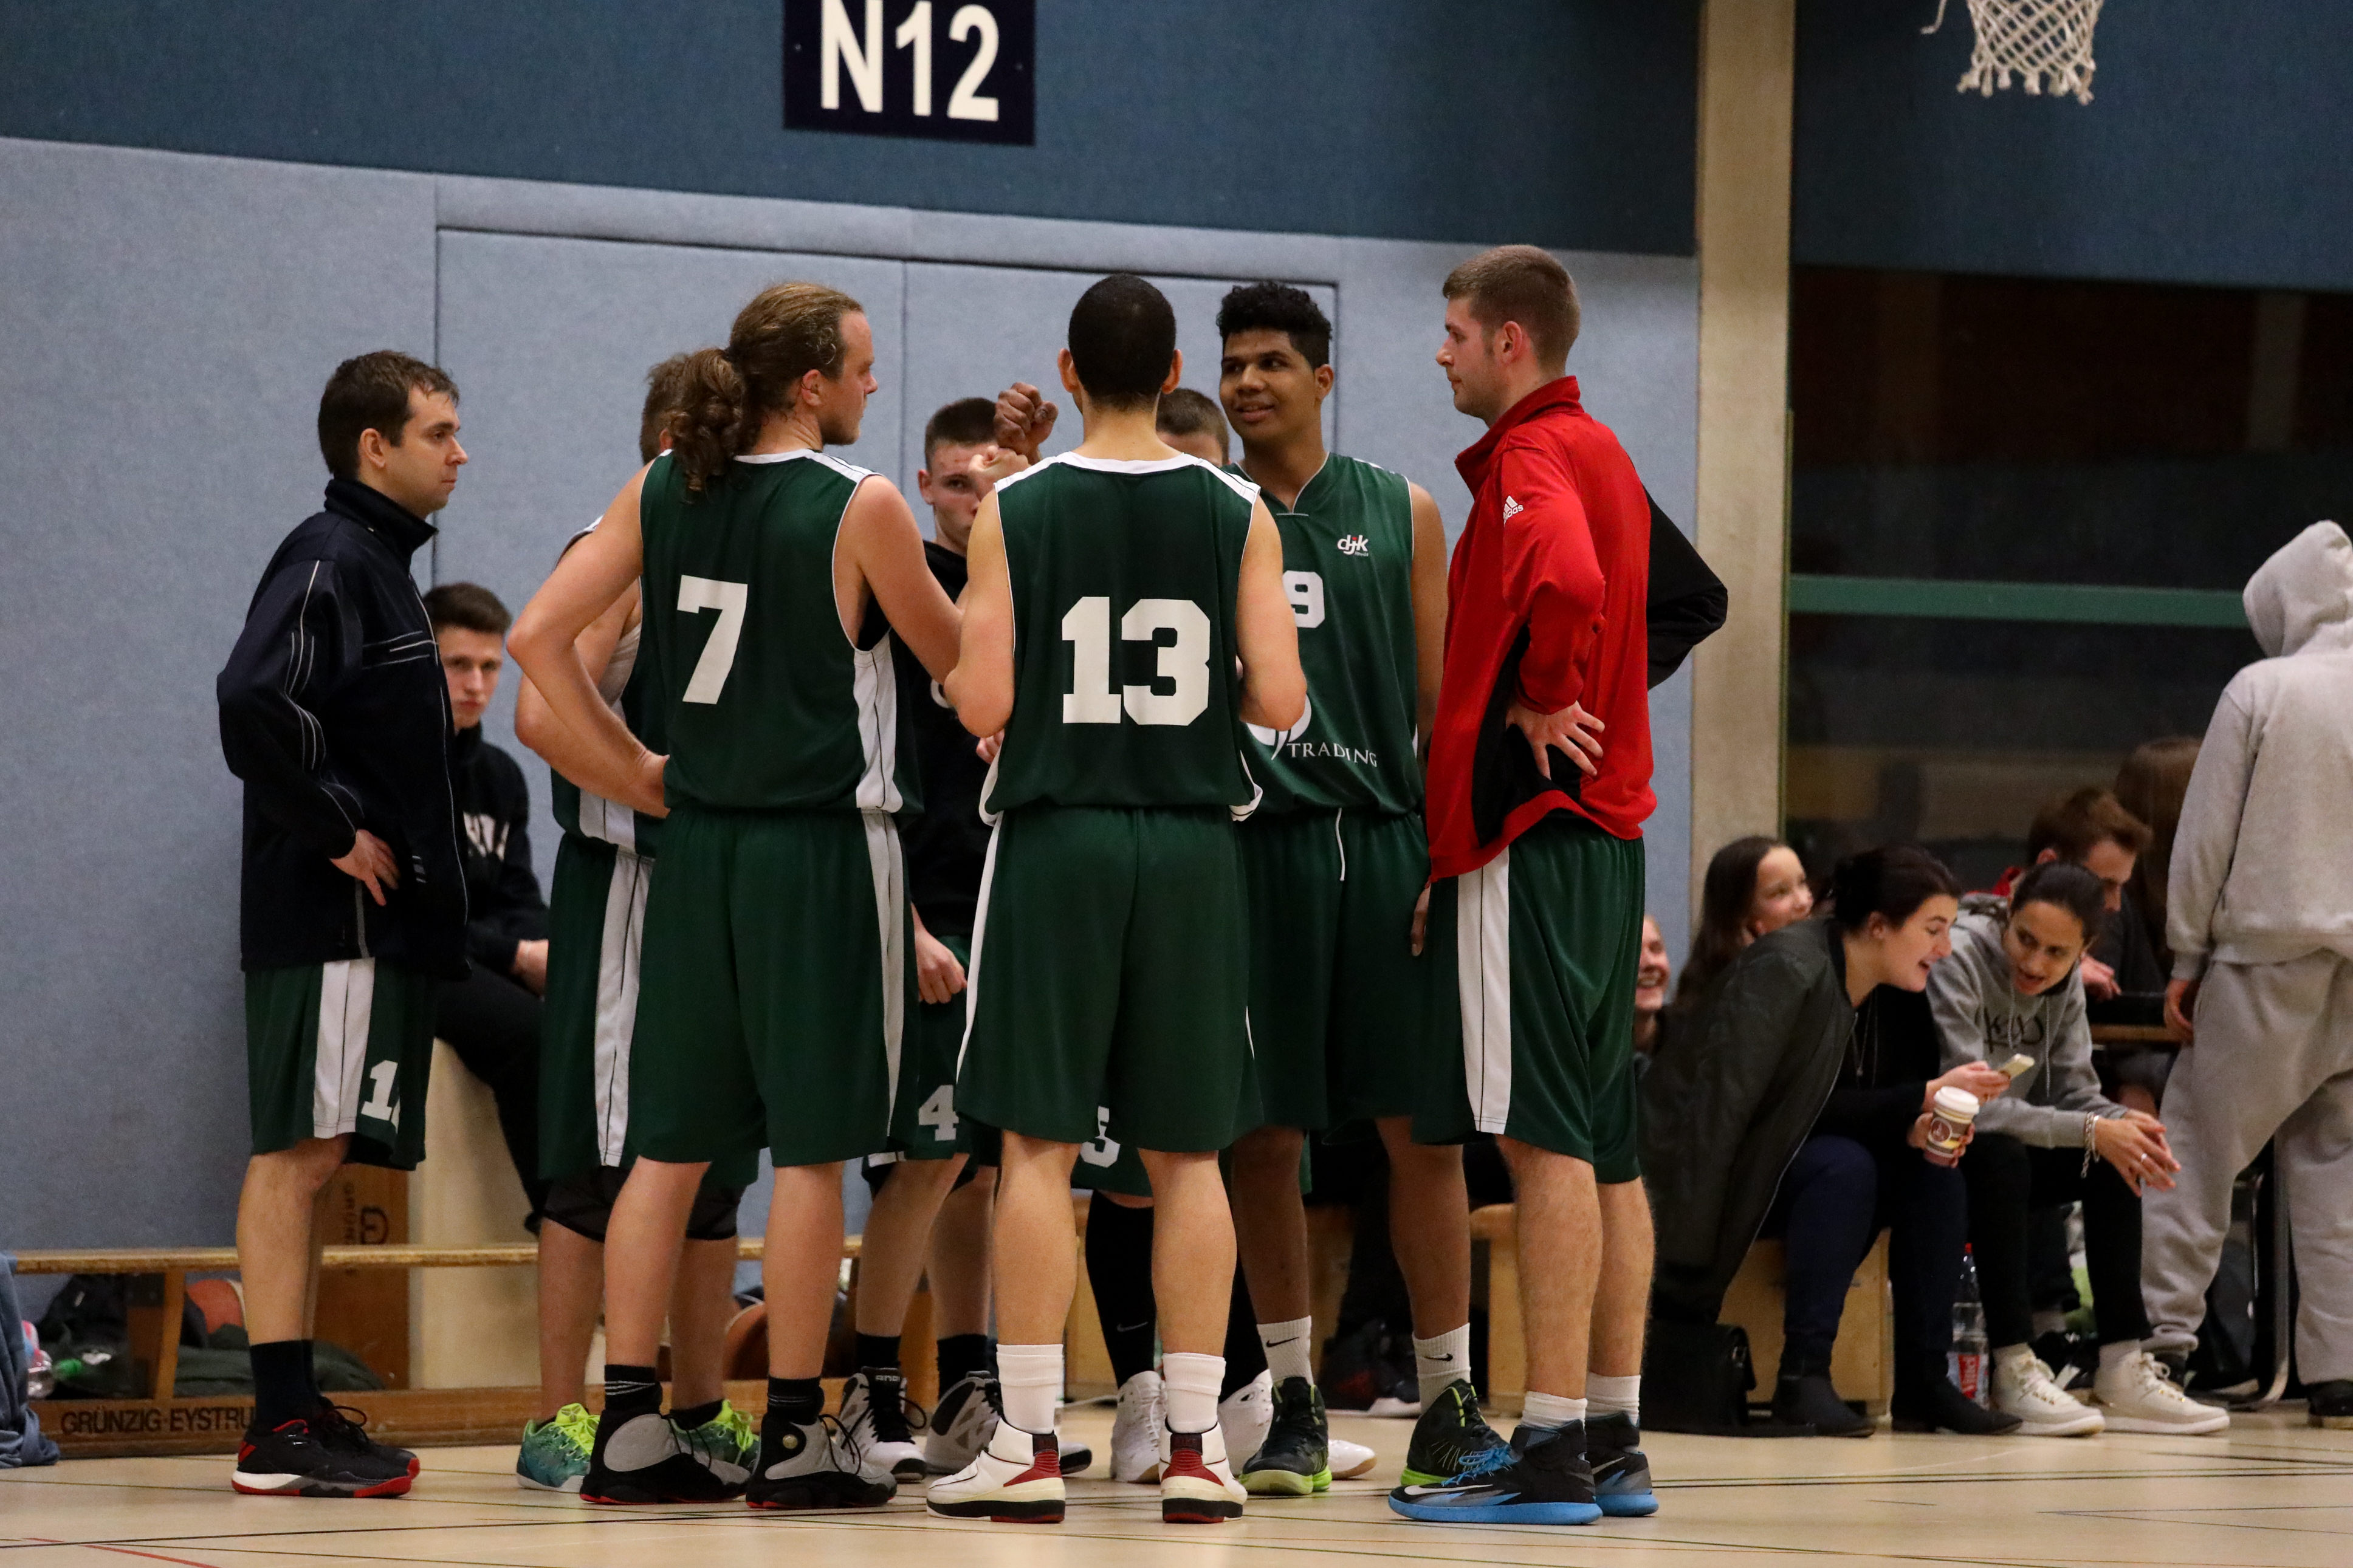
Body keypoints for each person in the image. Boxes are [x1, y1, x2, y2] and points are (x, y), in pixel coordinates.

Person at [510, 281, 961, 1508]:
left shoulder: (665, 486)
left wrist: (638, 774)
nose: (873, 383)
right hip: (821, 851)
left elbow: (537, 640)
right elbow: (966, 671)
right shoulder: (859, 503)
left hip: (697, 851)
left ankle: (629, 1425)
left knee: (666, 1149)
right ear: (810, 383)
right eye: (860, 366)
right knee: (811, 1154)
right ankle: (799, 1431)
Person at [928, 272, 1305, 1526]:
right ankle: (1197, 1446)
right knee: (1189, 1153)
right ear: (1178, 370)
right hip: (1192, 845)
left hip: (1060, 838)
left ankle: (1027, 1441)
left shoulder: (1016, 505)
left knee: (1037, 1145)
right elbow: (1281, 699)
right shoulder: (1235, 505)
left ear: (1068, 371)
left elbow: (983, 703)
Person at [1396, 245, 1688, 1528]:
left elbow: (1563, 577)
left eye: (1455, 333)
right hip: (1604, 839)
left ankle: (1552, 1444)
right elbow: (1675, 592)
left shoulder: (1530, 457)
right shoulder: (1605, 450)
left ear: (1509, 341)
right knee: (1604, 1148)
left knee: (1540, 1142)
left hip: (1532, 837)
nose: (1442, 353)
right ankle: (1613, 1433)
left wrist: (1541, 690)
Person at [216, 351, 470, 1497]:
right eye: (438, 433)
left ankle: (294, 1403)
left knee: (321, 1158)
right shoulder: (329, 556)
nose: (460, 454)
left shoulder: (381, 567)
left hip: (376, 931)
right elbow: (252, 697)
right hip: (331, 923)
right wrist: (334, 827)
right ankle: (275, 1426)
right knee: (299, 1154)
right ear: (375, 447)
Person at [507, 355, 758, 1493]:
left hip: (729, 886)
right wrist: (647, 784)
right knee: (597, 1162)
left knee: (716, 1163)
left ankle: (699, 1404)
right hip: (627, 880)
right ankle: (563, 1409)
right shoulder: (615, 551)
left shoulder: (750, 546)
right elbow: (538, 708)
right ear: (674, 444)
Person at [842, 397, 1027, 1484]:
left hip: (1004, 898)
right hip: (918, 899)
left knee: (979, 1167)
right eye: (959, 483)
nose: (976, 500)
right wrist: (903, 917)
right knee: (923, 1159)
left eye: (994, 484)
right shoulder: (896, 585)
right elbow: (866, 763)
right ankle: (868, 1390)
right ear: (926, 489)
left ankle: (967, 1384)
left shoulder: (1022, 585)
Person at [2145, 521, 2353, 1431]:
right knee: (2340, 1170)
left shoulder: (2263, 688)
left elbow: (2205, 838)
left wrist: (2186, 953)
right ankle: (2341, 1372)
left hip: (2268, 957)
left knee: (2193, 1150)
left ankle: (2157, 1345)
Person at [1930, 862, 2224, 1436]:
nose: (2035, 963)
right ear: (2009, 913)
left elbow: (2076, 1091)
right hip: (1947, 1144)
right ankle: (2014, 1364)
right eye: (2025, 939)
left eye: (2057, 953)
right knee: (2004, 1156)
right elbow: (1969, 1106)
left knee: (2115, 1156)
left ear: (2083, 951)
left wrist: (2129, 1128)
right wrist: (2093, 1128)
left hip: (2014, 1145)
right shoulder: (1960, 958)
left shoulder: (2063, 986)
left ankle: (2121, 1365)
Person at [422, 583, 551, 1227]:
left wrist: (553, 951)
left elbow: (518, 894)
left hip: (485, 955)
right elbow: (414, 911)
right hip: (417, 961)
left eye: (490, 666)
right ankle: (565, 1218)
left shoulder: (500, 775)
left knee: (613, 1007)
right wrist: (517, 954)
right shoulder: (395, 770)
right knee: (534, 1034)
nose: (476, 684)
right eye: (458, 665)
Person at [2095, 737, 2202, 1111]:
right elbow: (2092, 1014)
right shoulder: (2112, 896)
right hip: (2144, 1064)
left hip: (2190, 1059)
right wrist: (2121, 1084)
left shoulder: (2215, 887)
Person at [1994, 789, 2151, 1001]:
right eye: (2103, 885)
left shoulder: (2102, 924)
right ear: (2048, 864)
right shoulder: (1967, 932)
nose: (2116, 905)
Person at [1675, 837, 1814, 1008]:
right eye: (1780, 892)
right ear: (1740, 916)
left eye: (1802, 883)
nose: (1804, 902)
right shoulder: (1725, 1002)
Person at [1632, 917, 1671, 1064]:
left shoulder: (1693, 1039)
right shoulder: (1580, 1056)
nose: (1650, 962)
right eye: (1632, 952)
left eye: (1656, 949)